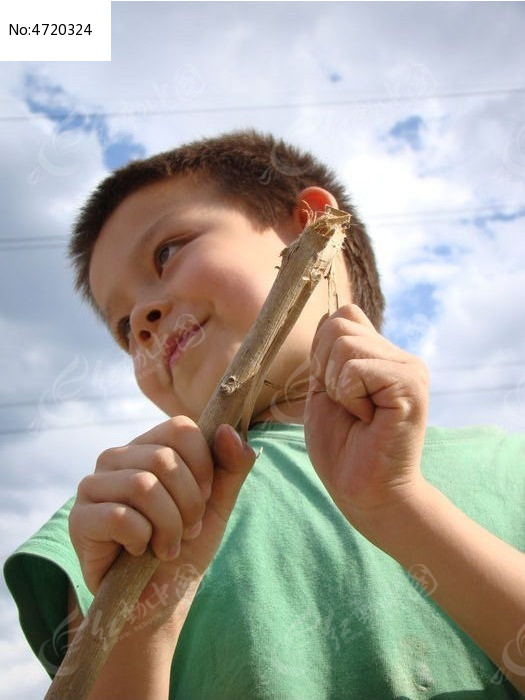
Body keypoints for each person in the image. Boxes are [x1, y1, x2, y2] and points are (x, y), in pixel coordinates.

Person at [4, 130, 525, 699]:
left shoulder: (508, 467)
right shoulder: (130, 513)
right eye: (125, 327)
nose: (144, 318)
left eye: (167, 252)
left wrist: (397, 502)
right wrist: (136, 627)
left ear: (312, 225)